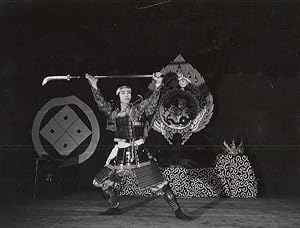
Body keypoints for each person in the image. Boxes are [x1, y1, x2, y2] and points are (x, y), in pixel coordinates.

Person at [85, 72, 192, 220]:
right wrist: (94, 86)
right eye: (123, 92)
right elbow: (101, 104)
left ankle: (178, 211)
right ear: (118, 95)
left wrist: (158, 84)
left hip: (139, 153)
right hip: (121, 154)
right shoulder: (114, 113)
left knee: (161, 186)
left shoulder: (137, 109)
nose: (127, 95)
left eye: (129, 92)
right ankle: (114, 208)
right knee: (102, 184)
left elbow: (152, 103)